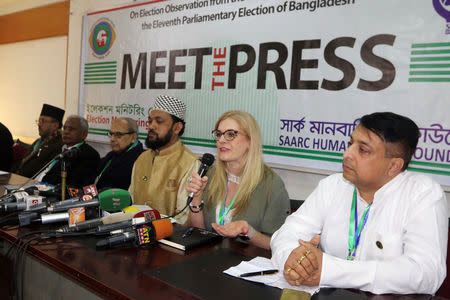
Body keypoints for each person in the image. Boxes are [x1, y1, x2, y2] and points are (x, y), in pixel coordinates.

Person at [271, 112, 448, 295]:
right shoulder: (333, 185)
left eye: (363, 150)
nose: (347, 154)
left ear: (393, 166)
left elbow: (425, 274)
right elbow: (287, 233)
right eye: (350, 144)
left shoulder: (423, 195)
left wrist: (329, 270)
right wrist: (293, 260)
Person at [186, 110, 290, 250]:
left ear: (250, 141)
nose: (221, 140)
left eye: (230, 134)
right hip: (210, 259)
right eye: (218, 134)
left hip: (248, 265)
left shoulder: (272, 185)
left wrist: (249, 231)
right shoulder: (210, 175)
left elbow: (279, 245)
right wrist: (196, 200)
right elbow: (200, 233)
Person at [129, 95, 199, 224]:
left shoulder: (190, 163)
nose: (151, 126)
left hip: (170, 238)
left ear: (177, 128)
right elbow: (132, 200)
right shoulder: (142, 158)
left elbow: (183, 218)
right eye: (150, 121)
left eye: (159, 122)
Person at [39, 115, 100, 188]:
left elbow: (74, 184)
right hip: (39, 185)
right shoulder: (60, 148)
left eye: (71, 129)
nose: (66, 132)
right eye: (65, 128)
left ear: (84, 134)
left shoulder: (89, 155)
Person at [92, 117, 144, 190]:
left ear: (133, 137)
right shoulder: (111, 155)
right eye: (111, 134)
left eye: (118, 134)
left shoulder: (141, 159)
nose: (112, 139)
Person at [14, 104, 64, 178]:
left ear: (55, 125)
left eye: (43, 121)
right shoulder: (38, 141)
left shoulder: (58, 145)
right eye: (39, 120)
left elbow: (39, 170)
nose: (39, 124)